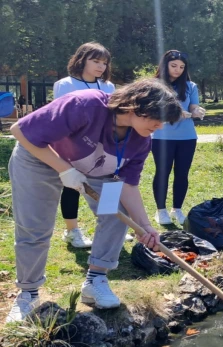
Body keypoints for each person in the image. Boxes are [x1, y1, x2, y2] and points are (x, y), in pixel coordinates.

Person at [6, 78, 183, 323]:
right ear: (136, 105)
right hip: (39, 157)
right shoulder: (85, 104)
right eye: (157, 117)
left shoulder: (141, 140)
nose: (160, 126)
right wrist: (64, 169)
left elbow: (128, 185)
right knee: (34, 227)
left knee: (116, 213)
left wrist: (146, 226)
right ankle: (28, 293)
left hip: (96, 169)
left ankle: (95, 279)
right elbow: (20, 131)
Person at [52, 42, 118, 248]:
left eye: (104, 63)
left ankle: (110, 228)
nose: (101, 67)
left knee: (111, 184)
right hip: (73, 145)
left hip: (103, 145)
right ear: (82, 60)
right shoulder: (65, 84)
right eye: (96, 61)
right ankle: (72, 231)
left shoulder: (109, 87)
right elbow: (62, 117)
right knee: (72, 186)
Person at [151, 50, 206, 225]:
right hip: (161, 136)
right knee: (162, 172)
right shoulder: (154, 85)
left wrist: (197, 111)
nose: (178, 70)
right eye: (174, 66)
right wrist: (175, 112)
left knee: (182, 173)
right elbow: (151, 109)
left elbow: (193, 105)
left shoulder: (190, 86)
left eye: (182, 67)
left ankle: (177, 209)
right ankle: (161, 210)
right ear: (165, 65)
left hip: (187, 136)